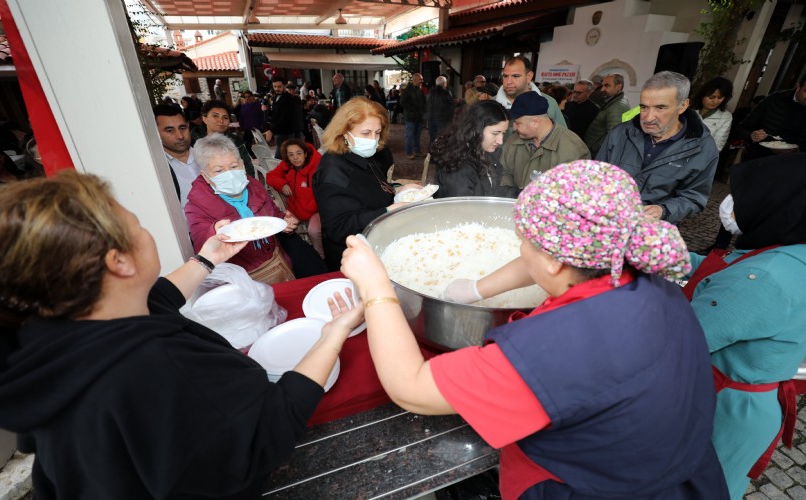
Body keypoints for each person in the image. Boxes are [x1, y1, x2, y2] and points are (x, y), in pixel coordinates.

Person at [334, 160, 729, 499]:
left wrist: (376, 288)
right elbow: (547, 258)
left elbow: (411, 387)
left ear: (557, 260)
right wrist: (476, 288)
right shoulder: (643, 275)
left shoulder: (555, 348)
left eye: (525, 241)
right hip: (679, 472)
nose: (521, 248)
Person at [0, 171, 352, 498]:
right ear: (120, 262)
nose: (146, 232)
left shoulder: (53, 330)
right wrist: (332, 335)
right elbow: (268, 430)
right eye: (138, 226)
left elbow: (155, 298)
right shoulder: (157, 364)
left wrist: (207, 259)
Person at [682, 153, 806, 500]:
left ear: (777, 203)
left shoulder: (766, 276)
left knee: (694, 488)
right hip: (748, 401)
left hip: (726, 408)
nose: (727, 204)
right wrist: (674, 256)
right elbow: (724, 274)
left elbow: (680, 338)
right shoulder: (790, 251)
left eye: (742, 196)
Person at [185, 134, 325, 283]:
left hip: (277, 261)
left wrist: (284, 221)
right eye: (219, 171)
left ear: (242, 164)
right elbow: (201, 242)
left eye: (233, 167)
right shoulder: (197, 205)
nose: (230, 174)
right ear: (205, 176)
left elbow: (273, 214)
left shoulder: (254, 186)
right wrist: (214, 231)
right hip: (242, 277)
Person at [596, 71, 719, 225]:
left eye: (660, 108)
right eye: (644, 107)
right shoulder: (621, 133)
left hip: (652, 232)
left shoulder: (703, 148)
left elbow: (694, 198)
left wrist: (664, 210)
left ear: (683, 106)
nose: (648, 118)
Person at [312, 97, 418, 271]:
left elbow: (373, 187)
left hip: (377, 242)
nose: (373, 140)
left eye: (377, 133)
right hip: (353, 257)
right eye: (366, 133)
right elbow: (338, 228)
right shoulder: (332, 170)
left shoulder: (364, 154)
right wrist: (387, 212)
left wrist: (398, 189)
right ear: (344, 132)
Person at [501, 92, 590, 195]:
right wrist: (510, 193)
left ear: (535, 122)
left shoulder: (573, 148)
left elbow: (575, 191)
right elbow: (504, 171)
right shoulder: (513, 140)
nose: (514, 127)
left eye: (518, 123)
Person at [431, 100, 509, 198]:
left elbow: (493, 190)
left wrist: (523, 194)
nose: (500, 141)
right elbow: (460, 210)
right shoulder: (458, 169)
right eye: (495, 133)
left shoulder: (483, 152)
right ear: (475, 129)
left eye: (503, 133)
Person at [266, 138, 325, 259]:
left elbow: (325, 192)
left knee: (314, 231)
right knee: (281, 226)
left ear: (305, 153)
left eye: (299, 153)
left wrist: (309, 209)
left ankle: (320, 256)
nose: (295, 157)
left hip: (316, 209)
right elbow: (270, 176)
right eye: (291, 155)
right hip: (296, 207)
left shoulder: (318, 167)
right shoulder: (287, 166)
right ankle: (295, 255)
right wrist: (282, 184)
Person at [737, 71, 806, 160]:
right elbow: (741, 128)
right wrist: (751, 135)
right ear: (798, 87)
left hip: (792, 163)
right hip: (758, 158)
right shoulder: (774, 100)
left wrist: (798, 151)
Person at [153, 104, 201, 211]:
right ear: (155, 133)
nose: (180, 136)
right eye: (170, 130)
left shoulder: (207, 157)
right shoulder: (156, 169)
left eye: (182, 128)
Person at [495, 56, 567, 127]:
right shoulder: (490, 103)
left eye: (516, 76)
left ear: (529, 76)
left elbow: (563, 136)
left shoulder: (550, 103)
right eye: (505, 76)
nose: (509, 81)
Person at [190, 100, 255, 178]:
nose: (221, 121)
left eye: (225, 117)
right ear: (205, 119)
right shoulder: (192, 143)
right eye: (215, 116)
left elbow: (248, 170)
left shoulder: (237, 143)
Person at [583, 73, 631, 157]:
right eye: (602, 86)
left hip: (597, 154)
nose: (602, 89)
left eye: (607, 85)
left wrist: (593, 148)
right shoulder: (615, 101)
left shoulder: (618, 107)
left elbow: (613, 136)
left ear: (618, 87)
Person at [691, 77, 734, 152]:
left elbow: (718, 146)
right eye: (711, 97)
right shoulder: (689, 110)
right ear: (702, 95)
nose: (715, 101)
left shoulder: (725, 117)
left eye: (720, 97)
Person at [263, 77, 300, 159]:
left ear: (284, 86)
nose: (277, 89)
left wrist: (271, 130)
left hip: (286, 132)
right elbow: (276, 114)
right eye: (275, 86)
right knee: (282, 156)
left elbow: (284, 119)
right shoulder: (276, 97)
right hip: (279, 132)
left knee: (282, 156)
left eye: (279, 87)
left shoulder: (288, 98)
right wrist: (267, 110)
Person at [400, 73, 426, 160]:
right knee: (410, 136)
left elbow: (423, 102)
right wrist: (413, 109)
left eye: (421, 79)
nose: (422, 81)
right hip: (410, 117)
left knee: (417, 136)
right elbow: (402, 102)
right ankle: (409, 152)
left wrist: (423, 111)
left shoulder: (419, 89)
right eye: (420, 79)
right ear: (415, 79)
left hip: (419, 117)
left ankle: (417, 151)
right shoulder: (407, 90)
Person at [425, 75, 455, 147]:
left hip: (431, 119)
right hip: (443, 120)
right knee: (442, 139)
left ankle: (431, 155)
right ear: (444, 83)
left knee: (432, 139)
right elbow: (450, 107)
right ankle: (441, 156)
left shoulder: (430, 93)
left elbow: (426, 105)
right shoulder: (447, 92)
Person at [238, 90, 268, 156]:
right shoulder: (244, 106)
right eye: (245, 97)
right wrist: (241, 125)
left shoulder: (258, 105)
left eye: (249, 96)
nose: (247, 98)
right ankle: (253, 156)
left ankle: (263, 157)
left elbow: (262, 116)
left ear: (252, 97)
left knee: (261, 144)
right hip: (247, 128)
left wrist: (262, 125)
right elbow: (241, 116)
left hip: (257, 128)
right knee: (246, 144)